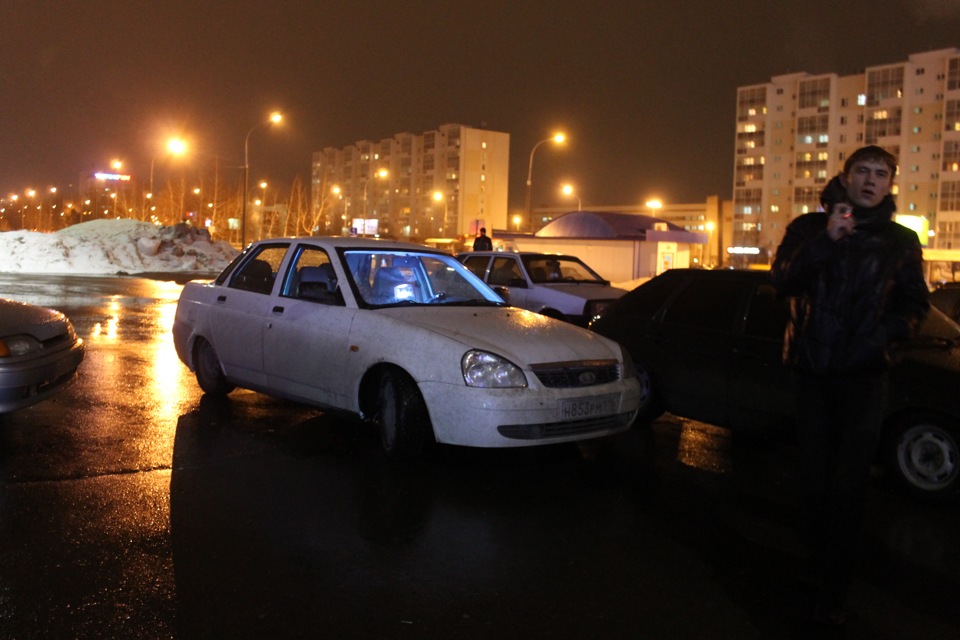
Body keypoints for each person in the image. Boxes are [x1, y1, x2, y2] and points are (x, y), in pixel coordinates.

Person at [771, 145, 929, 626]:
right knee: (814, 477)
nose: (871, 180)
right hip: (813, 373)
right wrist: (827, 241)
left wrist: (878, 339)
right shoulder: (808, 229)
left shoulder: (901, 240)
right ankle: (814, 565)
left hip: (864, 378)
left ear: (889, 185)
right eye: (863, 170)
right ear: (845, 176)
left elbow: (915, 306)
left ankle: (837, 582)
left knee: (849, 483)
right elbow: (782, 280)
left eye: (881, 174)